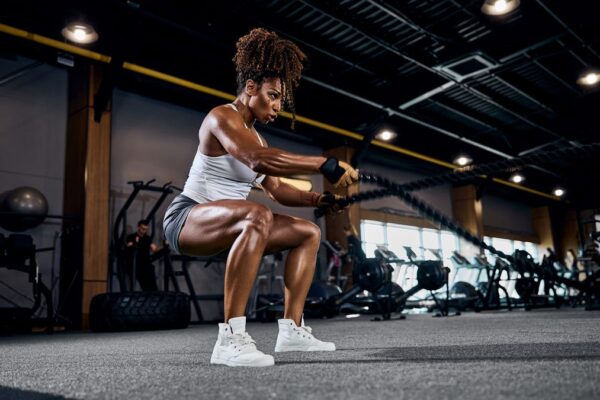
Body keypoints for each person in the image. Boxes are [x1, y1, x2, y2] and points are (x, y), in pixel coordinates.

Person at [163, 27, 358, 367]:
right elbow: (256, 160)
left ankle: (292, 330)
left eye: (281, 99)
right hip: (187, 219)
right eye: (272, 95)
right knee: (257, 214)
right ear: (250, 88)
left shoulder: (258, 138)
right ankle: (230, 337)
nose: (277, 106)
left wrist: (319, 202)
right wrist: (323, 164)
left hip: (229, 224)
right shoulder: (221, 117)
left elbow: (278, 189)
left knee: (307, 233)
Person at [124, 219, 160, 292]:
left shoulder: (147, 238)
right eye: (143, 229)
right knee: (144, 279)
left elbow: (154, 249)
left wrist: (164, 246)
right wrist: (135, 244)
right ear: (138, 227)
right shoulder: (132, 237)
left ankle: (153, 293)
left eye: (146, 229)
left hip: (146, 264)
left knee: (150, 275)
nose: (144, 231)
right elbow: (129, 247)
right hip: (136, 264)